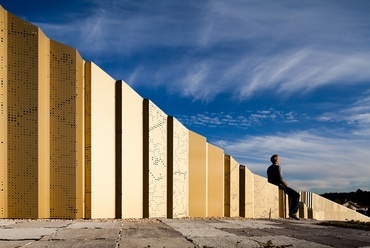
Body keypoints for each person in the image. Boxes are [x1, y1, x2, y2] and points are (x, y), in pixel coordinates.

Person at [267, 154, 300, 220]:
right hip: (279, 185)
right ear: (276, 160)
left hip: (271, 185)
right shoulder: (278, 167)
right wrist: (285, 184)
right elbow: (280, 178)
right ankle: (293, 213)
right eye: (279, 158)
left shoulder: (269, 168)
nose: (280, 160)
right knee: (296, 195)